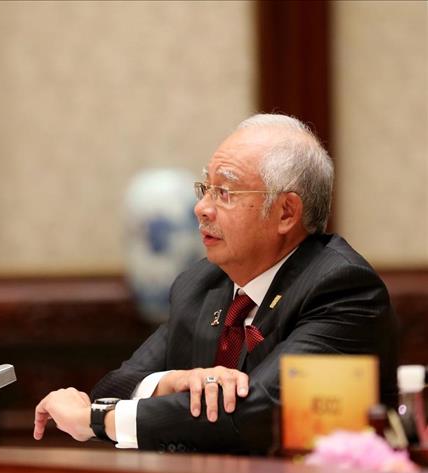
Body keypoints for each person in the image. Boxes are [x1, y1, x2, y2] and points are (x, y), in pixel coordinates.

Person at [33, 114, 398, 453]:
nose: (201, 208)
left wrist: (98, 420)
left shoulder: (341, 289)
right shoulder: (202, 284)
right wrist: (170, 382)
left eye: (225, 192)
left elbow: (257, 412)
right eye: (205, 188)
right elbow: (115, 384)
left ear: (286, 212)